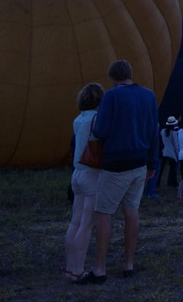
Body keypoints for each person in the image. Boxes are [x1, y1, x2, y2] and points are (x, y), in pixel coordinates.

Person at [76, 59, 159, 284]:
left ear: (112, 77)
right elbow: (154, 131)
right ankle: (128, 265)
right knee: (131, 212)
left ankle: (99, 270)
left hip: (116, 164)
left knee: (103, 214)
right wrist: (152, 163)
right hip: (140, 163)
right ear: (130, 74)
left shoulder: (111, 96)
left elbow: (101, 131)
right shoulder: (149, 95)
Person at [64, 82, 104, 281]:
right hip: (91, 173)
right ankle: (79, 271)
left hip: (77, 173)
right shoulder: (97, 119)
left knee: (75, 222)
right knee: (86, 225)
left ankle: (70, 268)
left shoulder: (78, 119)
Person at [157, 117, 179, 190]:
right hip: (171, 153)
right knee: (173, 170)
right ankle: (175, 184)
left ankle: (157, 183)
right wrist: (177, 154)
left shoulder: (162, 131)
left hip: (164, 152)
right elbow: (175, 145)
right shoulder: (174, 133)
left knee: (161, 169)